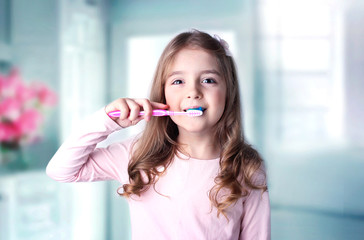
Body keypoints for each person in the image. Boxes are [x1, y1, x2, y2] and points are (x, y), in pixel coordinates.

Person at [46, 29, 270, 239]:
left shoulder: (248, 167)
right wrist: (107, 121)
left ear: (228, 92)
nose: (193, 92)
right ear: (162, 95)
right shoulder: (137, 153)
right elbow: (61, 170)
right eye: (178, 81)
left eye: (208, 80)